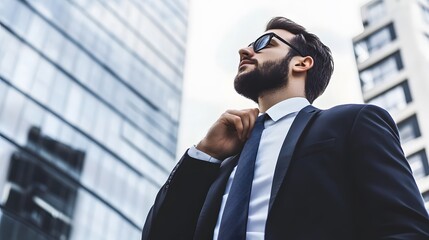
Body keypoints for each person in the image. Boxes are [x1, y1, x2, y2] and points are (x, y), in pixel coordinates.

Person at [141, 17, 429, 240]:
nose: (245, 50)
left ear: (302, 63)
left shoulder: (352, 123)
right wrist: (204, 154)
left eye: (265, 42)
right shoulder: (223, 164)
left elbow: (405, 228)